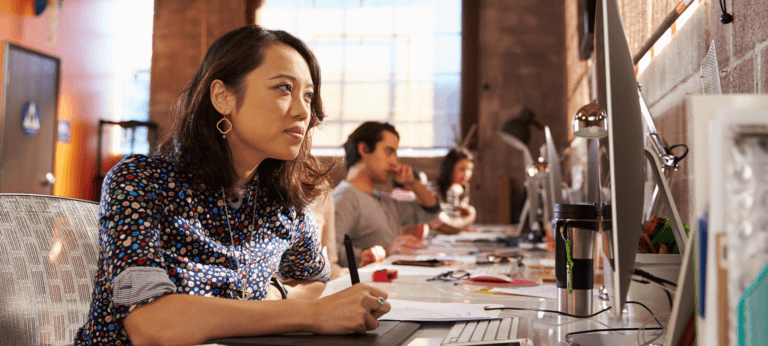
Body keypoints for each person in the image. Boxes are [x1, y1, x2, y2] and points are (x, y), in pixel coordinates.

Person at [76, 25, 390, 346]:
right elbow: (151, 324)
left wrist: (277, 296)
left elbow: (313, 278)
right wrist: (310, 314)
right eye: (284, 88)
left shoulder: (281, 203)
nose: (303, 111)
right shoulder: (140, 181)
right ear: (223, 97)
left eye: (308, 96)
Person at [334, 121, 440, 268]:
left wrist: (413, 182)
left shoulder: (383, 200)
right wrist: (386, 251)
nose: (394, 162)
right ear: (364, 149)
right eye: (389, 152)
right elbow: (327, 252)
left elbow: (431, 212)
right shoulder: (345, 197)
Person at [432, 147, 477, 234]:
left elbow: (458, 221)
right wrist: (452, 194)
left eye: (469, 169)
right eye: (461, 169)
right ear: (449, 169)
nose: (466, 174)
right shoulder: (433, 188)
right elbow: (448, 223)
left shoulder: (463, 187)